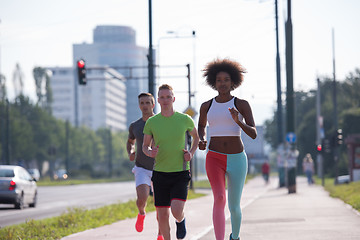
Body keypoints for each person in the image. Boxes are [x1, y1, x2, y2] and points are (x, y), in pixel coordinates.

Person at [198, 58, 257, 240]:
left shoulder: (242, 104)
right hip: (214, 158)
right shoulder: (206, 106)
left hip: (237, 158)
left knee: (233, 205)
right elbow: (201, 126)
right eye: (219, 80)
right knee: (219, 199)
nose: (222, 83)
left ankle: (235, 237)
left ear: (233, 82)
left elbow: (253, 133)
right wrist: (202, 138)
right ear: (213, 83)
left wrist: (238, 121)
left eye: (226, 80)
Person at [142, 84, 199, 240]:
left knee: (176, 210)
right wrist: (149, 152)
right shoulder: (152, 122)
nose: (165, 100)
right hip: (160, 173)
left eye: (168, 97)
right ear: (158, 100)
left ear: (173, 99)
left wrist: (191, 153)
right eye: (162, 97)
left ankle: (181, 220)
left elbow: (197, 137)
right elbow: (145, 146)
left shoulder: (184, 119)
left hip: (180, 172)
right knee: (162, 216)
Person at [127, 93, 163, 240]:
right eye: (142, 103)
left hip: (161, 168)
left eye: (148, 103)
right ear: (139, 105)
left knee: (160, 205)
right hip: (142, 167)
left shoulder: (161, 122)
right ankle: (141, 213)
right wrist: (130, 151)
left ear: (153, 105)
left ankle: (160, 234)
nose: (145, 105)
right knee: (142, 198)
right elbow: (130, 141)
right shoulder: (135, 125)